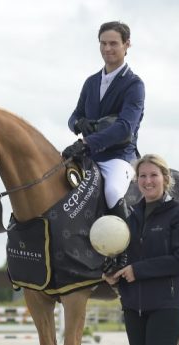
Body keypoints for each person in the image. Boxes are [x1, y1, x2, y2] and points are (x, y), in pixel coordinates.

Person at [103, 154, 179, 345]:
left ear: (165, 179)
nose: (147, 180)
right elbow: (125, 257)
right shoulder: (131, 217)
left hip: (167, 305)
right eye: (142, 176)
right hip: (134, 306)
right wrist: (112, 272)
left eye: (153, 175)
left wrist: (138, 270)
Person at [62, 20, 145, 221]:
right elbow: (74, 115)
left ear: (127, 45)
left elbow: (125, 128)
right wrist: (77, 124)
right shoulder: (91, 82)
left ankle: (128, 249)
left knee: (113, 192)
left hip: (118, 157)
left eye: (113, 43)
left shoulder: (134, 85)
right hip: (89, 156)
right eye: (103, 43)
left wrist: (87, 142)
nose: (107, 48)